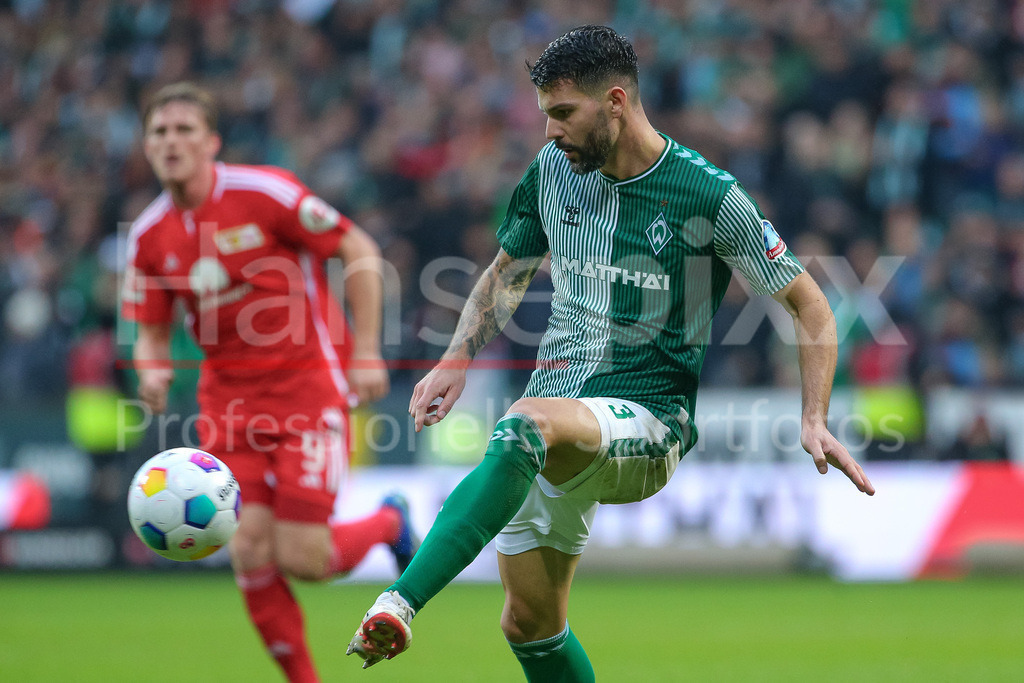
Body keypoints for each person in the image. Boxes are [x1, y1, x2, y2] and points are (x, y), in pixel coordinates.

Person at [346, 25, 875, 680]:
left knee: (523, 422)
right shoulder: (551, 173)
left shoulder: (708, 195)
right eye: (545, 115)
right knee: (529, 623)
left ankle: (398, 602)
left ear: (616, 102)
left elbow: (810, 302)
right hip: (560, 422)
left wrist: (814, 415)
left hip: (648, 421)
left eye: (563, 114)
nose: (549, 132)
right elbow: (508, 271)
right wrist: (457, 356)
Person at [122, 82, 416, 683]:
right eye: (160, 132)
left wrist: (366, 349)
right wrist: (151, 370)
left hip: (308, 390)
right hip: (227, 407)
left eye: (184, 130)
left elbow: (356, 246)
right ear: (147, 146)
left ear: (212, 143)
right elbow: (150, 332)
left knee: (304, 560)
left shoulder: (264, 193)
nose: (172, 141)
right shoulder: (149, 237)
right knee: (249, 550)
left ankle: (389, 521)